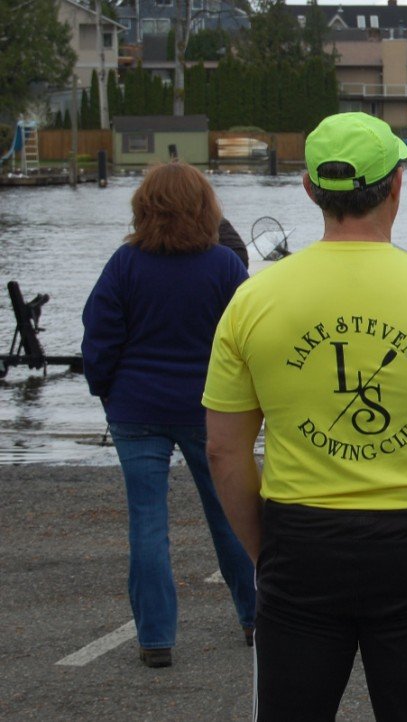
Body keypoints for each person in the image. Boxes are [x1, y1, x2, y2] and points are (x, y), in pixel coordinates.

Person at [203, 112, 407, 722]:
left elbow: (224, 450)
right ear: (398, 184)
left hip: (300, 537)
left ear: (310, 189)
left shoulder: (253, 299)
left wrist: (266, 552)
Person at [81, 161, 256, 669]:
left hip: (136, 409)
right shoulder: (224, 266)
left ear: (145, 208)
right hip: (209, 409)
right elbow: (247, 340)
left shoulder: (124, 264)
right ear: (206, 209)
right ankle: (255, 616)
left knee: (147, 523)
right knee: (230, 515)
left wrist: (105, 390)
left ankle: (156, 636)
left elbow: (99, 336)